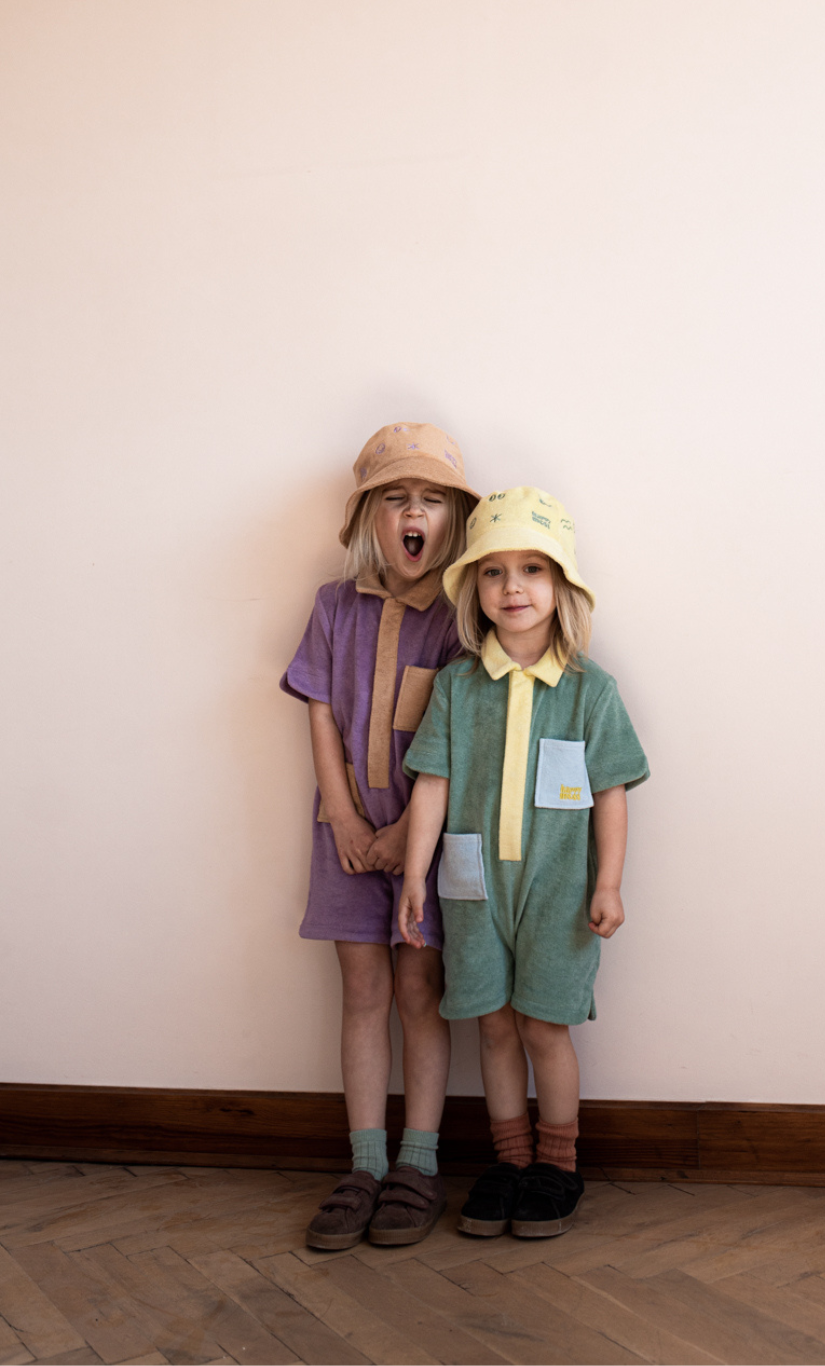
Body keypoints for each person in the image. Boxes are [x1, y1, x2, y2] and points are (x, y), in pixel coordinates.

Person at [399, 486, 649, 1238]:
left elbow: (611, 792)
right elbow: (433, 787)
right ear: (473, 588)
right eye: (494, 571)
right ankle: (508, 1161)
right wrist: (412, 874)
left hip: (558, 893)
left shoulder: (589, 692)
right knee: (495, 1025)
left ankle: (556, 1166)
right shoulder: (456, 687)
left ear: (560, 586)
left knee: (545, 1025)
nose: (512, 587)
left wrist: (607, 883)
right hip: (474, 890)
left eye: (532, 569)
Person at [280, 422, 480, 1248]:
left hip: (427, 845)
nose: (413, 512)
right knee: (361, 993)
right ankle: (363, 1164)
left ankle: (418, 1163)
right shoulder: (333, 606)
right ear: (371, 515)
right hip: (344, 838)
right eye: (396, 497)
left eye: (430, 499)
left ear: (452, 520)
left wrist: (406, 837)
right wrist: (354, 822)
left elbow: (466, 735)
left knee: (417, 993)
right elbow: (322, 719)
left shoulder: (464, 620)